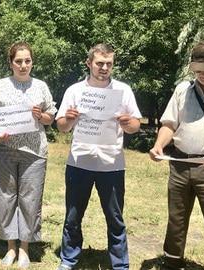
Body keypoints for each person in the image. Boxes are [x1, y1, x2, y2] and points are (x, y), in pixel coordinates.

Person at [55, 43, 141, 270]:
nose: (104, 68)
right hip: (79, 162)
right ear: (89, 63)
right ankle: (69, 259)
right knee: (73, 216)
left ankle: (120, 264)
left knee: (115, 218)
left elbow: (135, 125)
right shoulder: (74, 91)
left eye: (109, 64)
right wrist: (70, 119)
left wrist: (127, 122)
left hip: (111, 163)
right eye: (100, 63)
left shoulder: (123, 90)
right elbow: (62, 126)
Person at [149, 40, 204, 270]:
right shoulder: (183, 90)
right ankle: (172, 263)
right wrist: (159, 145)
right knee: (176, 219)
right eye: (198, 70)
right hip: (179, 165)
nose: (203, 75)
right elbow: (169, 124)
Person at [0, 41, 57, 268]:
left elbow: (50, 117)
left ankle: (25, 248)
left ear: (32, 62)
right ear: (11, 63)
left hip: (34, 153)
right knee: (6, 198)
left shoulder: (41, 86)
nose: (23, 65)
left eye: (27, 61)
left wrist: (41, 115)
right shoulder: (0, 85)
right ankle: (10, 248)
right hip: (3, 150)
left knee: (30, 200)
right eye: (18, 61)